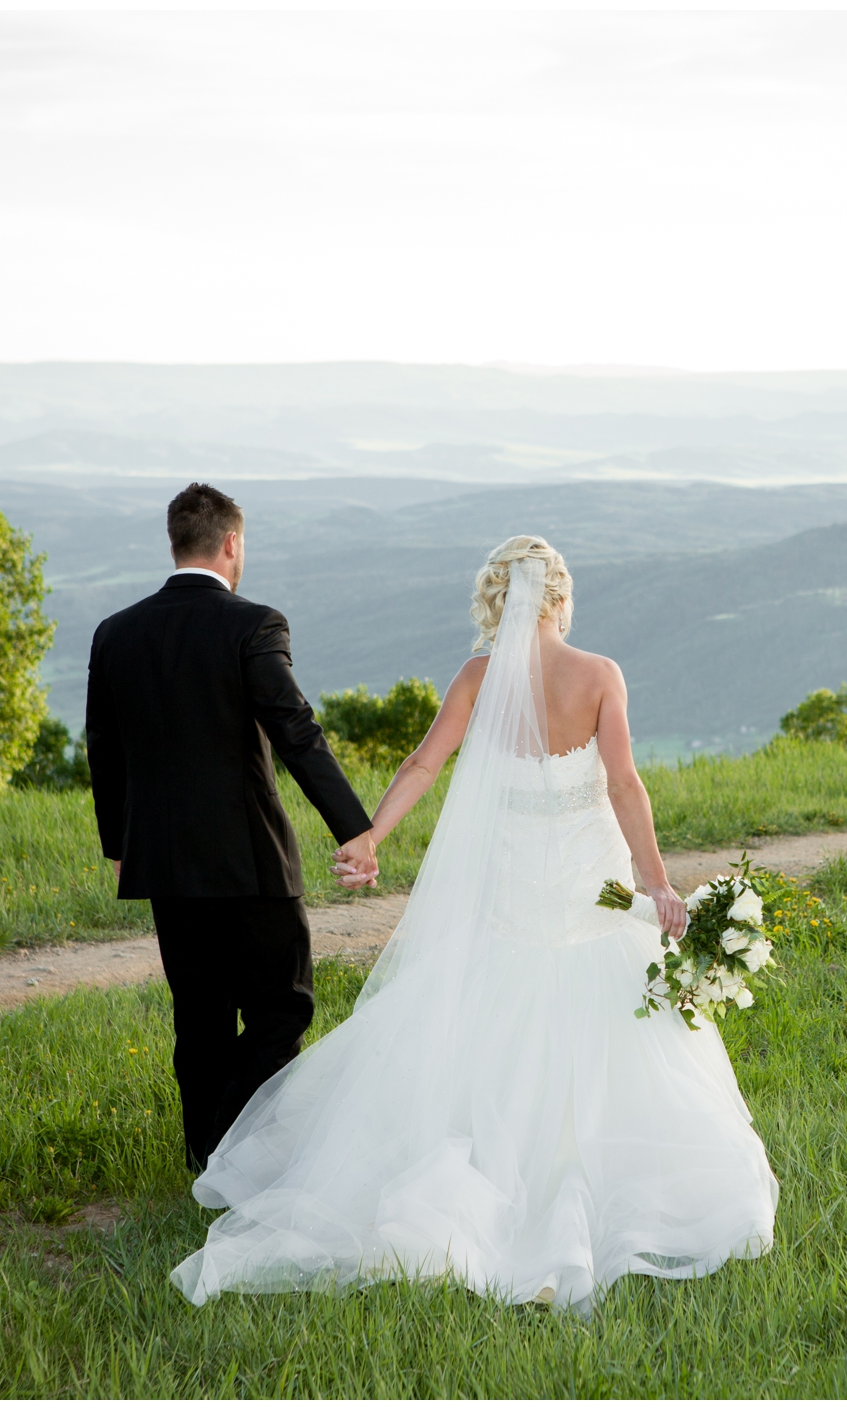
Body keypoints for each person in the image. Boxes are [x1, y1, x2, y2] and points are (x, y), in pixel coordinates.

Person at [170, 536, 778, 1312]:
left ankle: (475, 1188)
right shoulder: (598, 676)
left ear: (498, 600)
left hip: (512, 903)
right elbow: (624, 784)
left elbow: (423, 764)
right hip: (593, 902)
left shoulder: (478, 678)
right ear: (559, 596)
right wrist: (656, 885)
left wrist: (371, 835)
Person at [85, 483, 378, 1174]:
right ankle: (223, 1149)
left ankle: (204, 1158)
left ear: (175, 541)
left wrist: (119, 846)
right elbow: (296, 732)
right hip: (250, 862)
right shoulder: (254, 624)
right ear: (232, 543)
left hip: (161, 860)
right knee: (283, 1011)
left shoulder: (116, 632)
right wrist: (354, 827)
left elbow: (105, 748)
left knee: (201, 1018)